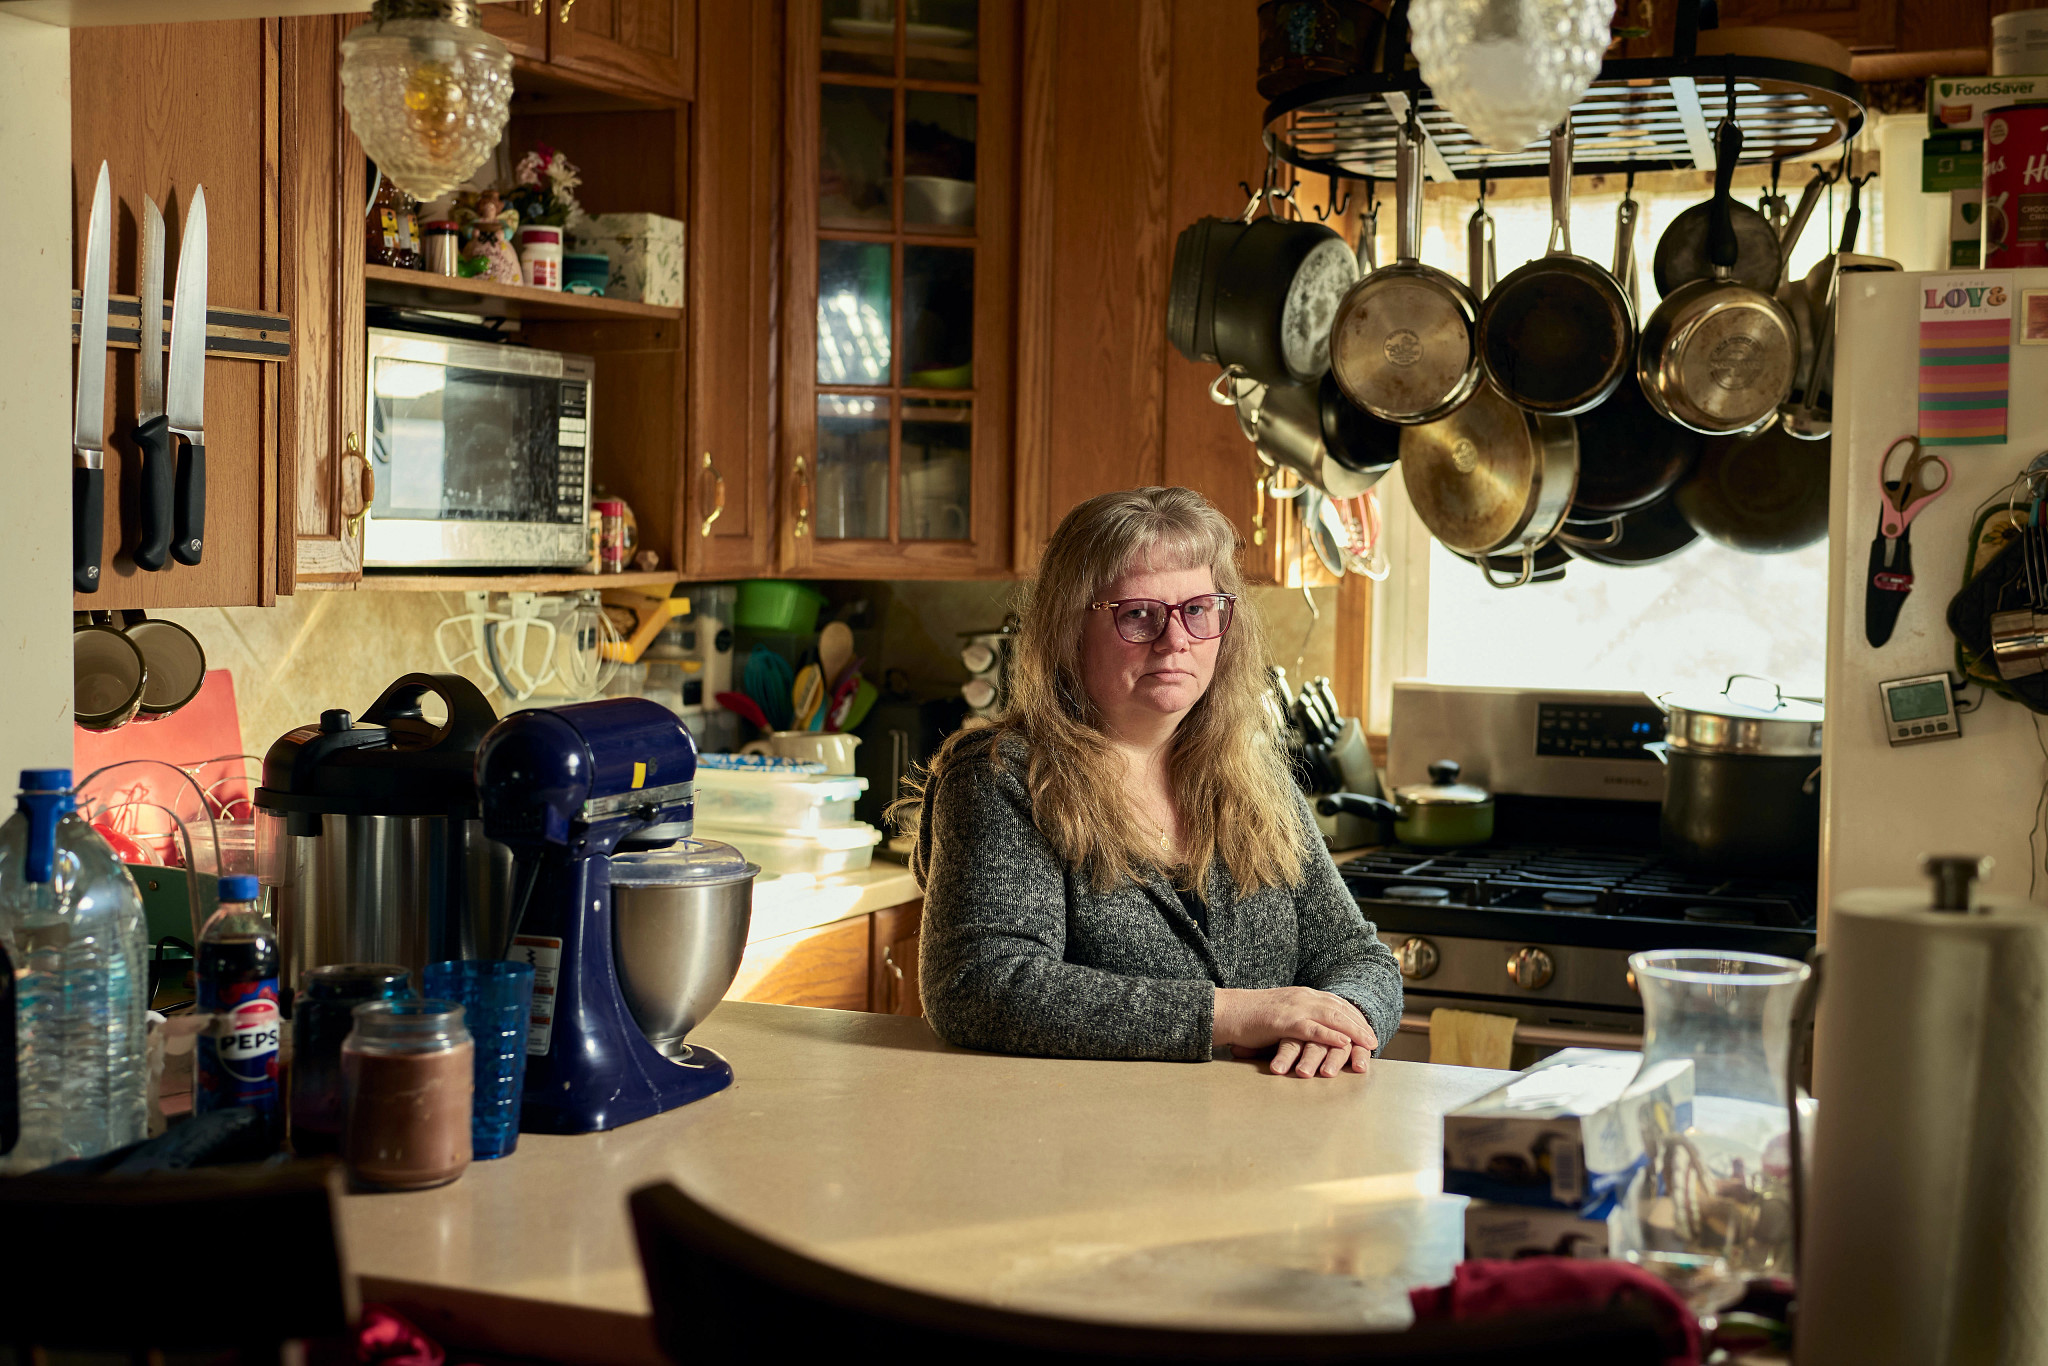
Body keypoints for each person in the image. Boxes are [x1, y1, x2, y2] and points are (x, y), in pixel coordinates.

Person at [899, 487, 1402, 1078]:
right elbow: (979, 983)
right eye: (1138, 614)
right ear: (1068, 627)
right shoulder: (1003, 777)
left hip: (1257, 1149)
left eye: (1198, 609)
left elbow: (1356, 956)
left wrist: (1338, 1019)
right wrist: (1234, 1014)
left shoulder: (1252, 775)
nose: (1176, 640)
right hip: (1076, 1152)